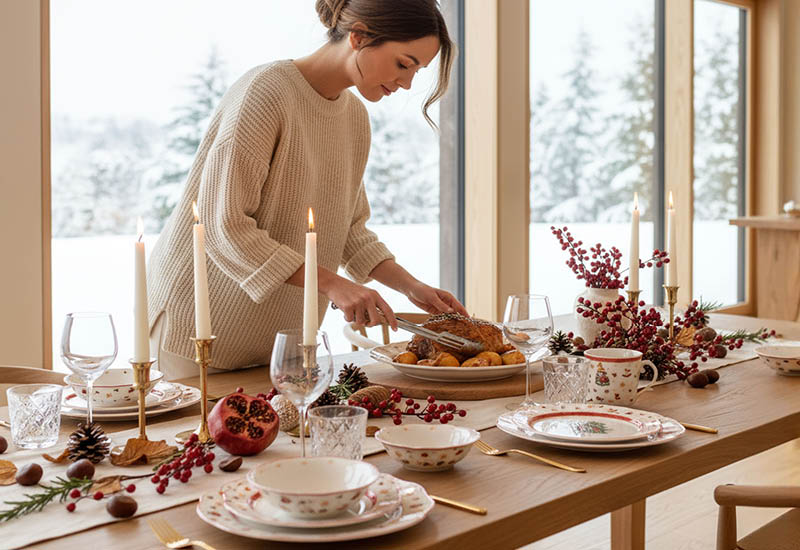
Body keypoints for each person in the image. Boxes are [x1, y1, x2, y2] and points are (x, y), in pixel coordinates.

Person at [147, 0, 468, 378]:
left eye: (417, 71)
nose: (408, 83)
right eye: (403, 63)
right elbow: (225, 225)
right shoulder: (265, 93)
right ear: (359, 36)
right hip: (198, 333)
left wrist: (411, 287)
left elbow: (349, 230)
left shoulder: (354, 118)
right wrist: (333, 284)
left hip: (280, 340)